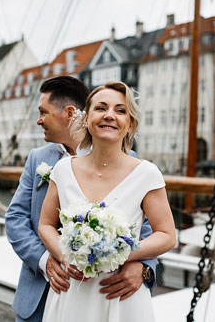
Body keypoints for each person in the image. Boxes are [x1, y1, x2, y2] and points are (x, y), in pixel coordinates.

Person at [4, 77, 159, 322]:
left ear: (69, 113)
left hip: (106, 297)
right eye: (101, 108)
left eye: (43, 112)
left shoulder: (132, 164)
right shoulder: (38, 159)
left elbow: (148, 227)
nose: (39, 120)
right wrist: (46, 261)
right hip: (40, 294)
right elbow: (15, 218)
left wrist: (144, 266)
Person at [38, 81, 176, 321]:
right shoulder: (62, 170)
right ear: (86, 118)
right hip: (72, 291)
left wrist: (118, 253)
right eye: (101, 108)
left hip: (121, 295)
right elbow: (45, 225)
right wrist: (65, 254)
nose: (110, 115)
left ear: (129, 124)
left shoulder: (147, 174)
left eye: (120, 111)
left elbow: (167, 235)